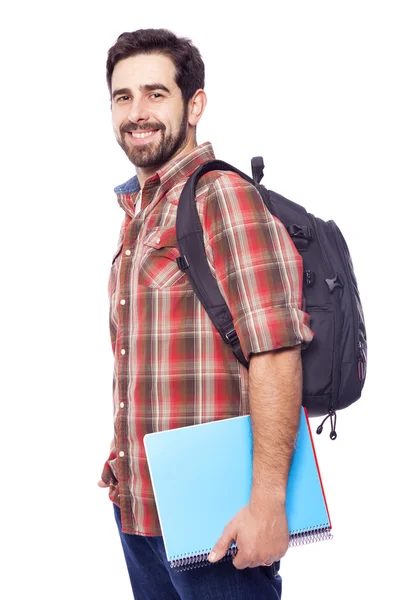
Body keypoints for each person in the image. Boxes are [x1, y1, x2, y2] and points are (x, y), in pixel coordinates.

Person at [98, 28, 314, 600]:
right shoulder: (140, 211)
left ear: (194, 104)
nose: (137, 112)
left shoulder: (220, 196)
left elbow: (276, 347)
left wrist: (269, 503)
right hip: (141, 508)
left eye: (156, 94)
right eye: (123, 97)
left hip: (216, 518)